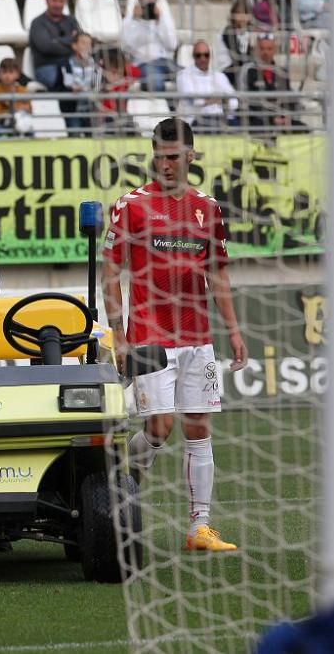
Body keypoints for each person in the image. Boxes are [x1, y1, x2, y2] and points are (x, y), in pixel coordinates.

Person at [102, 117, 248, 553]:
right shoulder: (131, 205)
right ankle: (116, 487)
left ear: (191, 156)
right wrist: (119, 335)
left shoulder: (208, 208)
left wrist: (234, 330)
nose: (165, 165)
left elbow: (218, 274)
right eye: (159, 156)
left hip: (197, 336)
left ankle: (199, 528)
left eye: (173, 157)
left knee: (199, 427)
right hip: (150, 335)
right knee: (160, 427)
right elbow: (111, 272)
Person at [238, 34, 305, 133]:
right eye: (262, 49)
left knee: (304, 129)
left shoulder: (281, 72)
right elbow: (245, 101)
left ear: (274, 51)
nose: (265, 52)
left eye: (269, 49)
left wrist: (285, 117)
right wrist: (271, 119)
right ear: (256, 50)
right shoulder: (248, 70)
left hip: (280, 120)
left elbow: (289, 99)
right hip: (256, 120)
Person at [121, 0, 178, 91]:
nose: (147, 6)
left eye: (150, 2)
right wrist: (135, 20)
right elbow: (126, 47)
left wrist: (160, 21)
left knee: (189, 77)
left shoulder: (163, 17)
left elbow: (172, 45)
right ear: (138, 1)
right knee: (156, 84)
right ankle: (168, 106)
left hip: (166, 62)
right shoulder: (130, 20)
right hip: (144, 63)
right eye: (144, 2)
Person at [175, 40, 238, 132]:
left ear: (210, 56)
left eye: (206, 55)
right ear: (193, 56)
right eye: (198, 55)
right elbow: (196, 101)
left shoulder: (220, 76)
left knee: (239, 125)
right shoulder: (184, 75)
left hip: (222, 119)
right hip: (197, 121)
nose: (203, 59)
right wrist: (221, 100)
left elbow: (234, 102)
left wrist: (209, 101)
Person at [28, 0, 81, 92]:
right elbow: (46, 47)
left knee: (95, 77)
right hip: (47, 67)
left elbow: (82, 42)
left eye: (61, 1)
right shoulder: (38, 23)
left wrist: (56, 41)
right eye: (54, 0)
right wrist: (71, 43)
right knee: (66, 80)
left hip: (72, 66)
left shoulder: (71, 21)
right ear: (46, 0)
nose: (57, 5)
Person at [61, 32, 102, 135]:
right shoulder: (66, 63)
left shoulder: (96, 64)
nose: (87, 46)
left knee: (93, 137)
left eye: (89, 43)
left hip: (91, 109)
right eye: (83, 43)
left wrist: (84, 88)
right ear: (74, 46)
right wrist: (81, 88)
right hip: (73, 109)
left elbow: (97, 85)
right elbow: (68, 85)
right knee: (75, 137)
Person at [214, 0, 254, 89]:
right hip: (226, 70)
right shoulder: (228, 32)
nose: (242, 17)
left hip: (243, 69)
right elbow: (237, 57)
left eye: (245, 13)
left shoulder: (248, 33)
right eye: (238, 13)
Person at [0, 57, 32, 134]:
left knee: (28, 126)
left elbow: (29, 110)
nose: (7, 75)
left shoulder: (23, 90)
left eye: (11, 72)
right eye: (4, 72)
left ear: (18, 74)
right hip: (0, 124)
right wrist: (16, 109)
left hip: (20, 123)